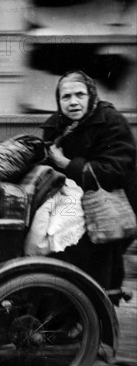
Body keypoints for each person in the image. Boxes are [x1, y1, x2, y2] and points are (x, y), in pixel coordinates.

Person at [42, 70, 137, 293]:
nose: (73, 102)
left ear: (91, 95)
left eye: (80, 95)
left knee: (97, 273)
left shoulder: (111, 123)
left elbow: (112, 171)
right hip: (72, 205)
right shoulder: (55, 125)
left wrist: (66, 163)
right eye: (66, 97)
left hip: (109, 206)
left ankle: (95, 318)